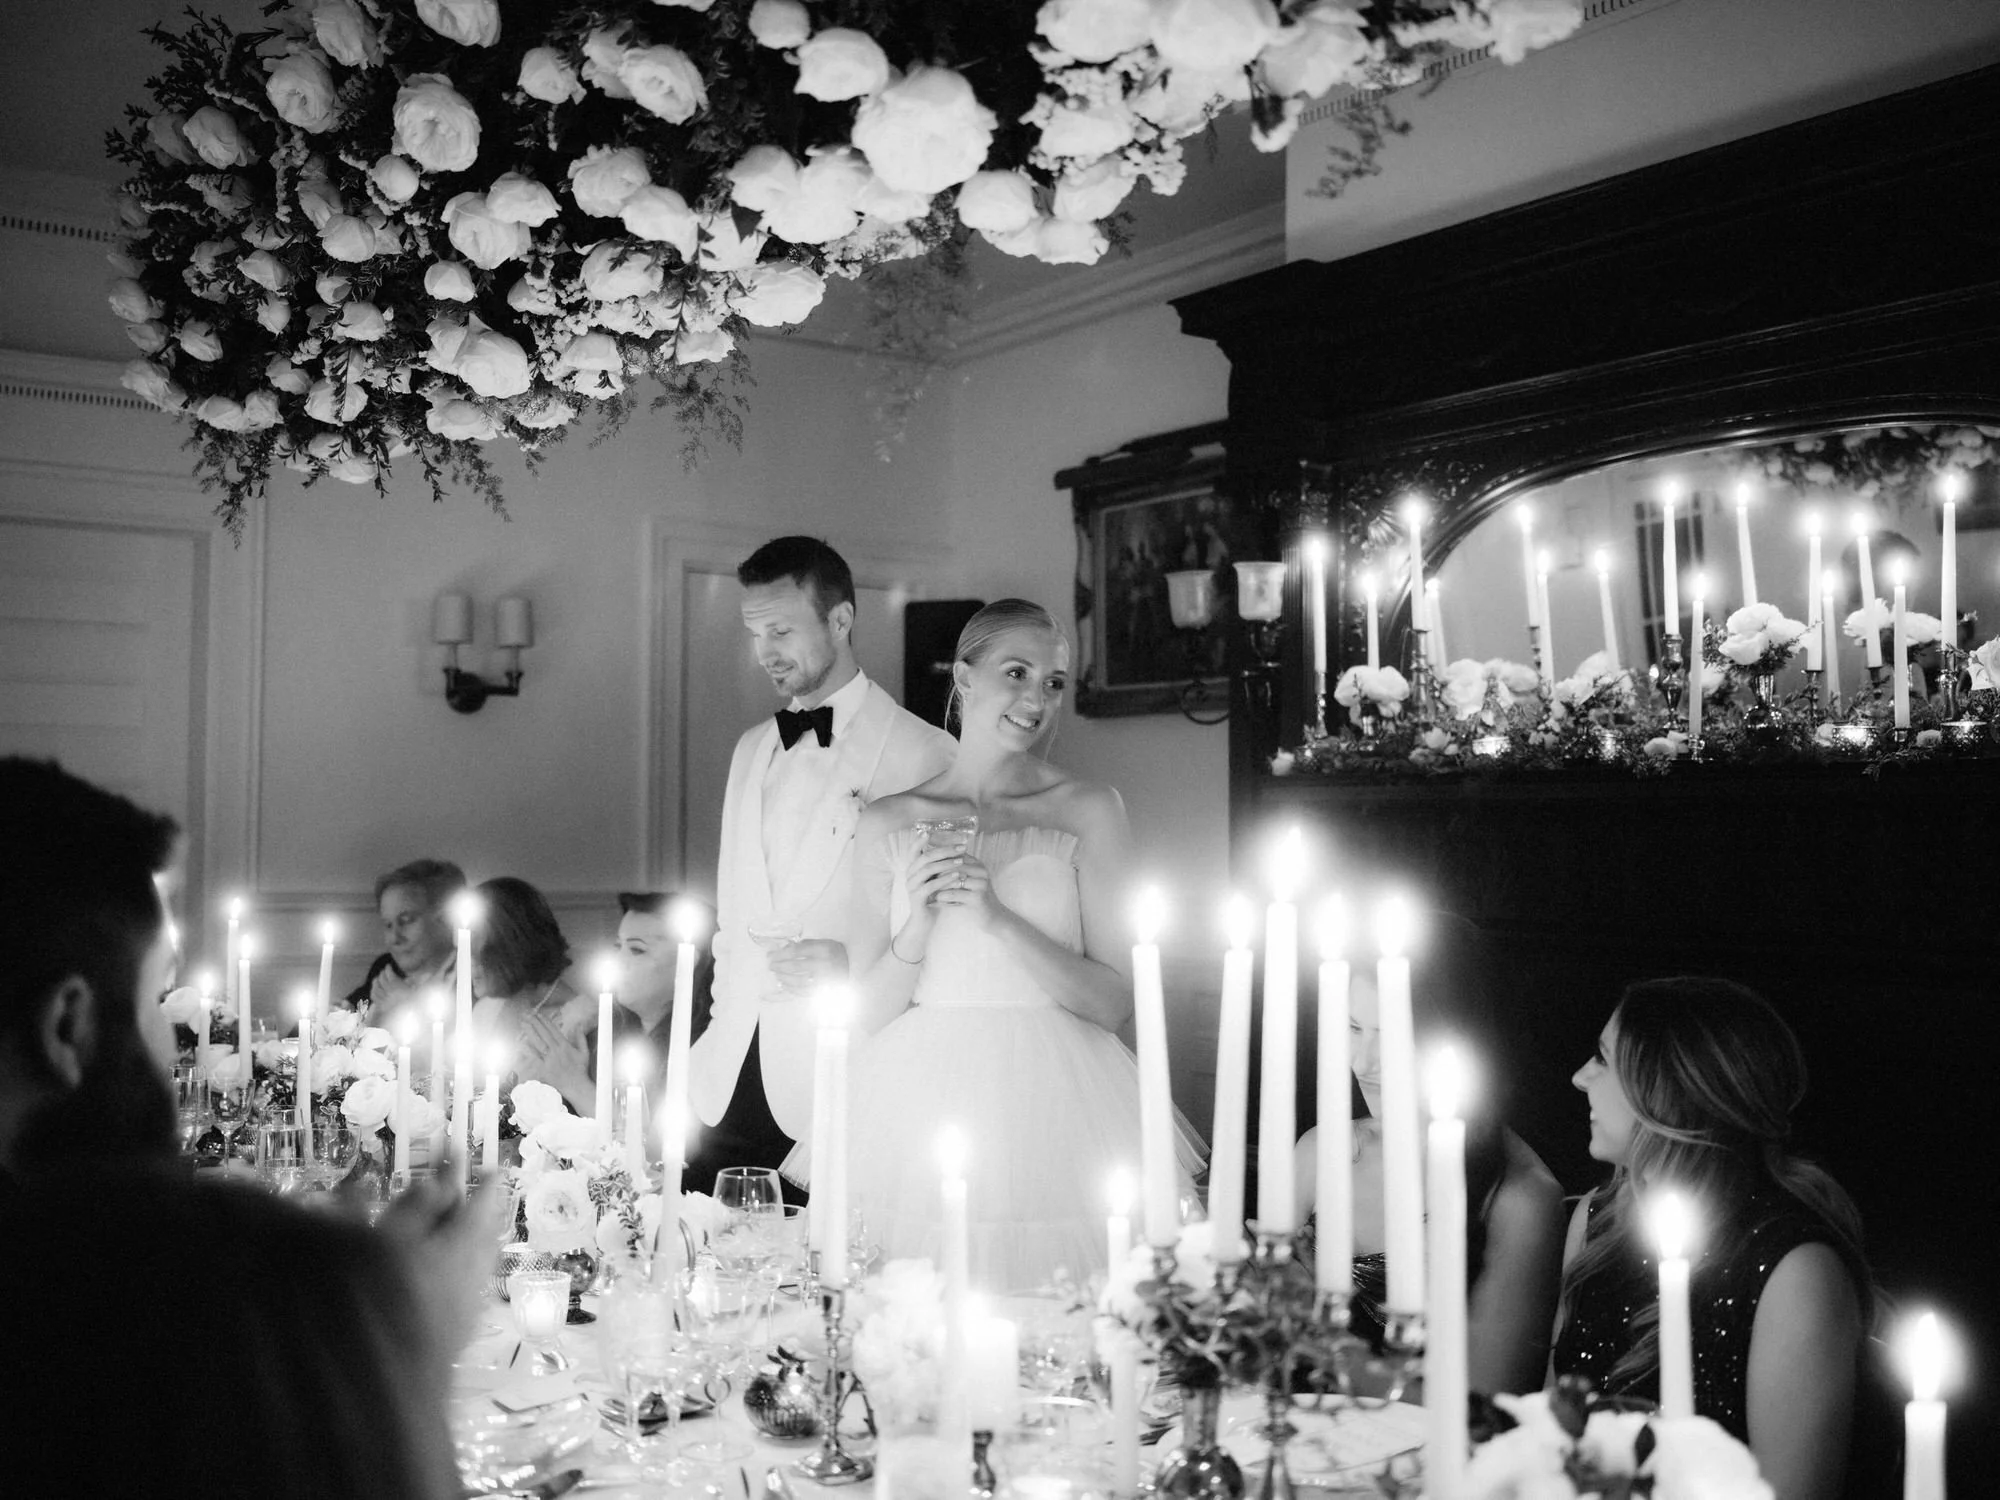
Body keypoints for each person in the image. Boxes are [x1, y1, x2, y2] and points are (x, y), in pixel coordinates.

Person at [0, 756, 493, 1500]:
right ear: (67, 1026)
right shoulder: (100, 1306)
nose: (177, 1044)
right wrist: (385, 1346)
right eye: (156, 994)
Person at [832, 599, 1203, 1289]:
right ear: (964, 678)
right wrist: (917, 926)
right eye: (1017, 672)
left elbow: (1114, 1000)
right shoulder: (889, 822)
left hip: (1063, 1105)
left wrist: (999, 918)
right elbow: (866, 1014)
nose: (1037, 698)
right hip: (917, 1104)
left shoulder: (1089, 809)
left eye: (1053, 682)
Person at [689, 537, 956, 1178]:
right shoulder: (751, 749)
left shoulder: (927, 754)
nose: (764, 653)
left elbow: (947, 934)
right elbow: (734, 920)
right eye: (755, 634)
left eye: (780, 630)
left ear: (840, 621)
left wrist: (850, 967)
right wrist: (708, 1049)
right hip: (720, 1079)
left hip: (841, 1077)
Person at [1553, 977, 1872, 1500]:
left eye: (1603, 1059)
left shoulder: (1795, 1271)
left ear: (1664, 1091)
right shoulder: (1598, 1220)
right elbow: (1548, 1438)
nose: (1580, 1077)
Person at [1292, 910, 1567, 1395]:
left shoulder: (1519, 1198)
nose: (1363, 1062)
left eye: (1393, 1035)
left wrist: (1317, 1337)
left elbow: (1479, 1405)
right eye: (1354, 1028)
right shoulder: (1326, 1149)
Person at [470, 875, 594, 1115]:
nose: (466, 965)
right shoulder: (486, 1008)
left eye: (477, 953)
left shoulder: (581, 1020)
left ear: (511, 944)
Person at [345, 858, 466, 1037]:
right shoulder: (387, 967)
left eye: (406, 921)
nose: (395, 938)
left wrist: (411, 1004)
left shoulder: (471, 976)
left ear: (445, 919)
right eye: (388, 925)